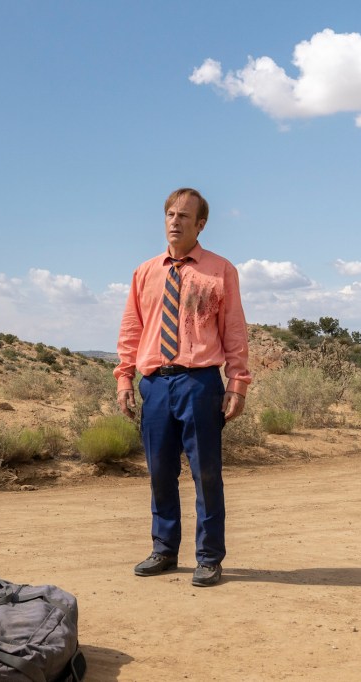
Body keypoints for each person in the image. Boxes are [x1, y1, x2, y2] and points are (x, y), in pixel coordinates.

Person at [113, 188, 249, 588]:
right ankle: (164, 549)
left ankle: (208, 557)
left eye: (184, 216)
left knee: (206, 473)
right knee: (159, 472)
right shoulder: (145, 272)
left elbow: (234, 330)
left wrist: (237, 383)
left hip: (200, 382)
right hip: (154, 383)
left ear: (200, 224)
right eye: (170, 214)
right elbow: (131, 329)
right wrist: (124, 377)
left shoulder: (220, 271)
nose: (175, 221)